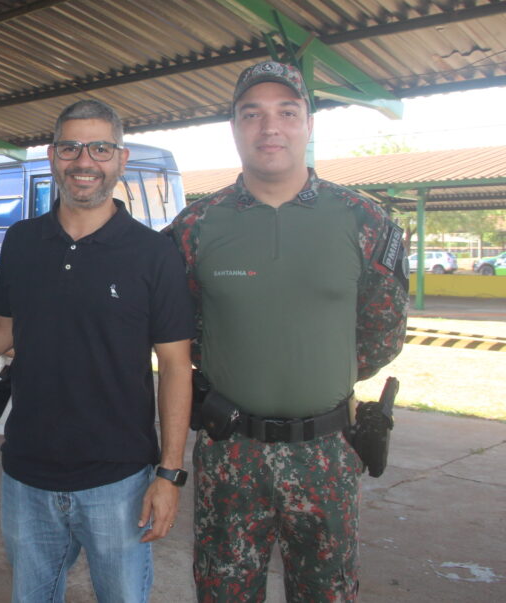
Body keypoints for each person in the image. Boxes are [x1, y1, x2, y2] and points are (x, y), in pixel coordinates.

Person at [167, 60, 408, 602]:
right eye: (251, 114)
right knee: (223, 591)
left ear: (308, 125)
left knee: (328, 592)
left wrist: (311, 373)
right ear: (234, 128)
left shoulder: (365, 222)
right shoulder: (194, 228)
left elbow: (382, 333)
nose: (268, 127)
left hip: (327, 453)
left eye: (286, 112)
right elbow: (180, 335)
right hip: (231, 454)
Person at [0, 99, 195, 602]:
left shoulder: (154, 254)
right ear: (52, 155)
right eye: (70, 147)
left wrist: (169, 474)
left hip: (120, 480)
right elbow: (3, 329)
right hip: (28, 476)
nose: (84, 161)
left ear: (121, 159)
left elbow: (175, 367)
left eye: (100, 148)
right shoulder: (22, 242)